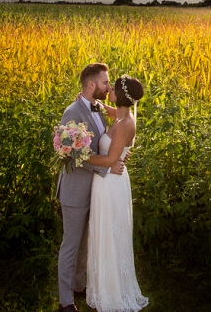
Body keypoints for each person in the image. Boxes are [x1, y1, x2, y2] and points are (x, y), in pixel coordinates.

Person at [56, 63, 126, 312]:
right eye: (105, 83)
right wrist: (106, 167)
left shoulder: (96, 108)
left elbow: (122, 119)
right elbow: (73, 155)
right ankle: (66, 301)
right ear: (91, 84)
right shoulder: (72, 113)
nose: (109, 87)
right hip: (75, 190)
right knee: (71, 245)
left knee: (85, 244)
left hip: (95, 190)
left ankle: (78, 285)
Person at [84, 74, 149, 312]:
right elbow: (110, 112)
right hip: (106, 182)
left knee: (111, 235)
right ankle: (104, 287)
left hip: (111, 183)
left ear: (120, 94)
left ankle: (113, 292)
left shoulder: (126, 124)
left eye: (113, 87)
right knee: (104, 231)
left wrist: (78, 154)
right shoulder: (120, 116)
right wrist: (96, 103)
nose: (109, 89)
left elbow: (111, 159)